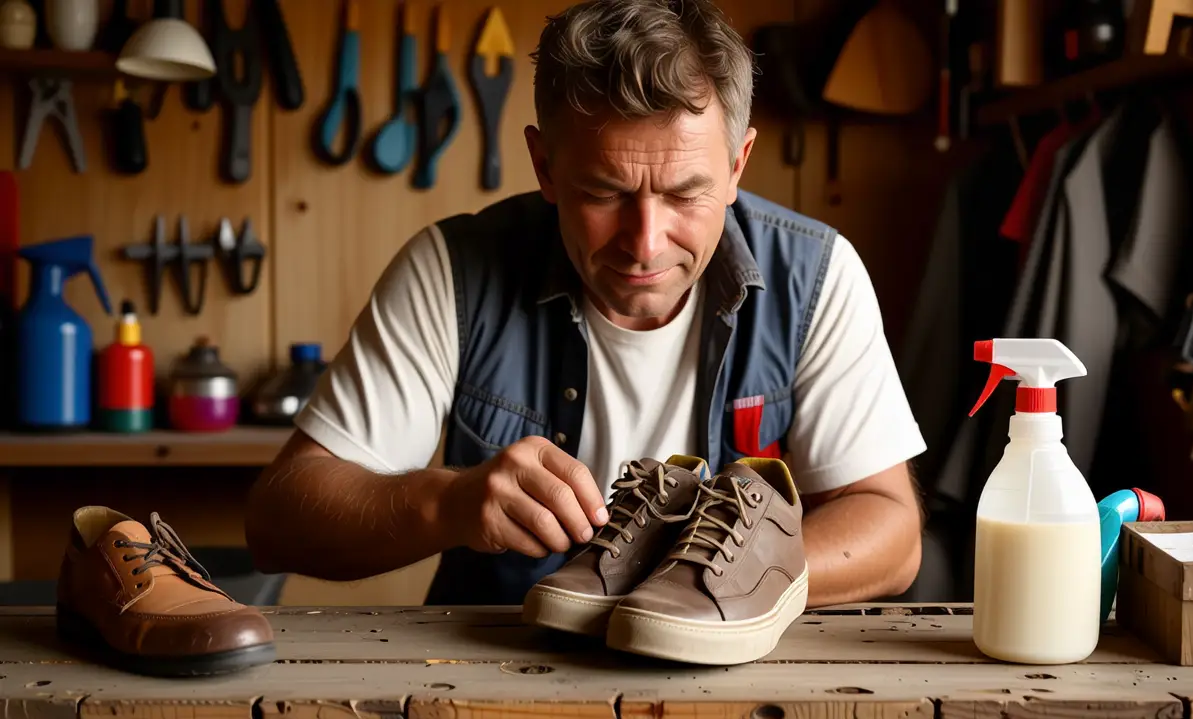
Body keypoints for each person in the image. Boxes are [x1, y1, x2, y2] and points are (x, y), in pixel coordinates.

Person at [245, 0, 927, 607]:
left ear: (738, 166)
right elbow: (279, 523)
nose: (646, 243)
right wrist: (448, 503)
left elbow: (892, 534)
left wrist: (722, 577)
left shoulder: (815, 276)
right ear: (545, 166)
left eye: (686, 194)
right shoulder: (453, 271)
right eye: (605, 193)